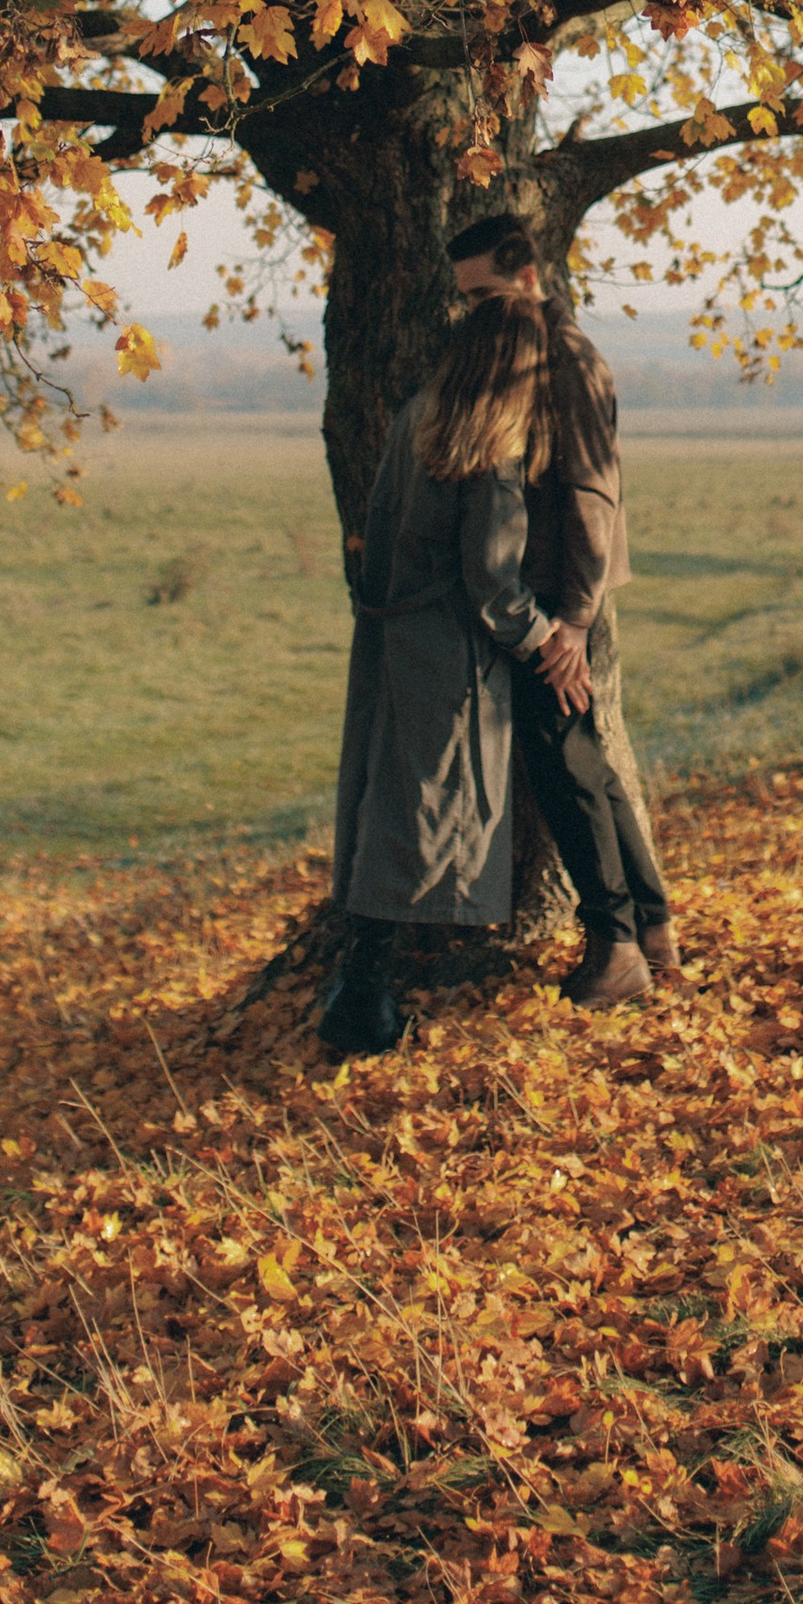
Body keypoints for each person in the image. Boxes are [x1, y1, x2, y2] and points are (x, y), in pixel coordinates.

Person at [319, 294, 588, 1055]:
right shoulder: (491, 446)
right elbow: (494, 584)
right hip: (449, 656)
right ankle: (362, 996)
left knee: (391, 805)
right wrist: (551, 645)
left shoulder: (420, 417)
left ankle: (359, 988)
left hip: (394, 641)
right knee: (425, 813)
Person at [445, 213, 679, 1002]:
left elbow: (589, 494)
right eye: (466, 302)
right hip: (558, 591)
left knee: (566, 769)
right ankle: (652, 926)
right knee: (589, 762)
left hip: (558, 597)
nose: (477, 313)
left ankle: (616, 950)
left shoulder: (564, 359)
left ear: (532, 279)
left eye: (487, 295)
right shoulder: (534, 351)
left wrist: (571, 624)